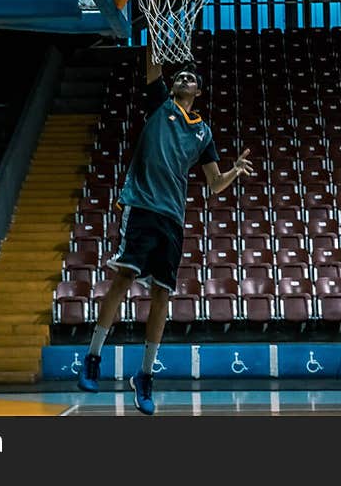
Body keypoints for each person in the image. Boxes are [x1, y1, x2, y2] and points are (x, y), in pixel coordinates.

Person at [77, 45, 254, 414]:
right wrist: (158, 24)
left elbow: (215, 183)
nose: (183, 79)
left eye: (190, 78)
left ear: (199, 92)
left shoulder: (203, 132)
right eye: (180, 77)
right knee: (124, 278)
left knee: (161, 295)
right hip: (142, 205)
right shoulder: (160, 104)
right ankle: (93, 357)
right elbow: (153, 65)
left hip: (172, 217)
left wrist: (234, 171)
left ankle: (144, 376)